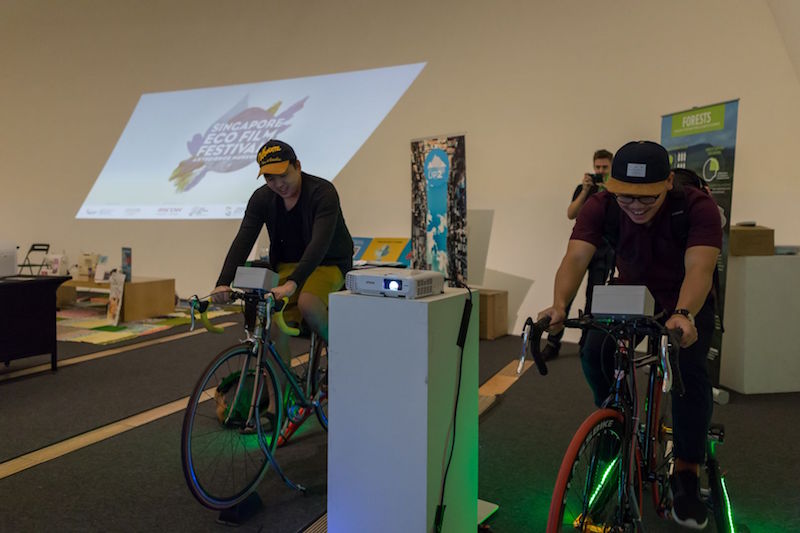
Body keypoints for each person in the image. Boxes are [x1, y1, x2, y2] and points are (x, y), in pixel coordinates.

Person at [537, 141, 721, 530]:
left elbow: (700, 269)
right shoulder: (601, 205)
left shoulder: (697, 207)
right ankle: (615, 420)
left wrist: (685, 315)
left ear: (669, 182)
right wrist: (558, 306)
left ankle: (687, 473)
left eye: (647, 198)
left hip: (687, 297)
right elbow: (575, 257)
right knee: (594, 351)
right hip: (633, 293)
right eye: (626, 197)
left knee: (688, 371)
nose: (635, 206)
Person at [211, 139, 354, 363]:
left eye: (283, 174)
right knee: (270, 321)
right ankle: (281, 393)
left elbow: (320, 243)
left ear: (297, 165)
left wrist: (292, 283)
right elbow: (243, 240)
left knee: (309, 304)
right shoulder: (262, 198)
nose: (278, 184)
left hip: (327, 262)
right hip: (288, 264)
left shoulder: (323, 192)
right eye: (270, 178)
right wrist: (223, 282)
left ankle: (345, 356)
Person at [542, 149, 616, 360]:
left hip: (605, 251)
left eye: (605, 168)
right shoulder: (583, 189)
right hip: (582, 249)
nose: (600, 171)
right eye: (597, 167)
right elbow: (571, 213)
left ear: (611, 168)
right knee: (566, 296)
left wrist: (607, 189)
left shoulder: (614, 190)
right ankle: (553, 343)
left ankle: (586, 344)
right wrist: (585, 191)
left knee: (594, 299)